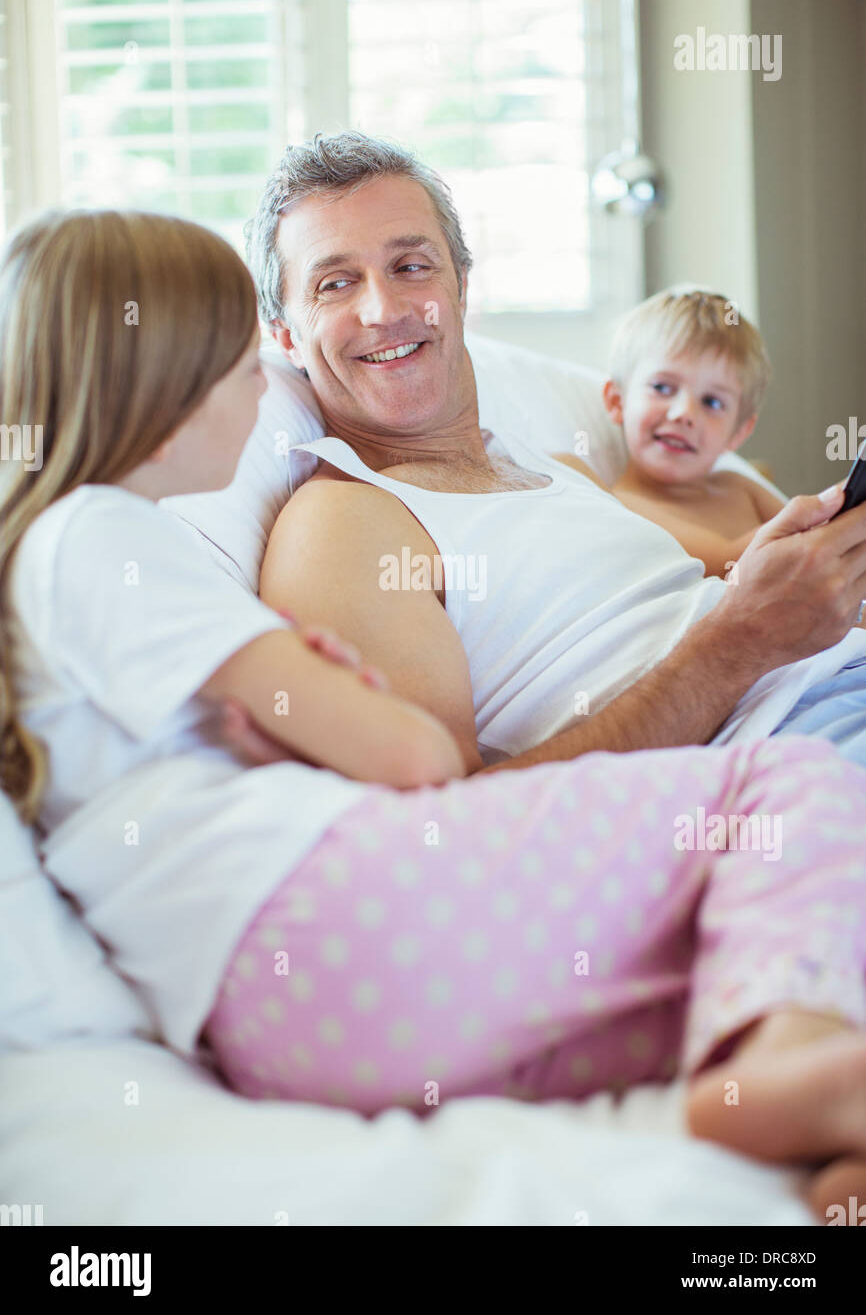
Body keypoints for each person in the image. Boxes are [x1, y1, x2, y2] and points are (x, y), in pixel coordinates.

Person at [3, 207, 866, 1222]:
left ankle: (818, 1132)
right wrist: (323, 698)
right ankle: (793, 1075)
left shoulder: (68, 572)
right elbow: (415, 761)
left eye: (412, 264)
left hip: (312, 1011)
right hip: (315, 924)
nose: (260, 399)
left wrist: (280, 706)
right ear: (166, 384)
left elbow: (256, 738)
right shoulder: (107, 533)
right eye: (244, 369)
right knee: (789, 788)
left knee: (717, 980)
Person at [250, 130, 866, 773]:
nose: (383, 308)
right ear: (285, 335)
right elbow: (443, 821)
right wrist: (740, 642)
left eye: (411, 267)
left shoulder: (557, 468)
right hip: (790, 750)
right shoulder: (340, 524)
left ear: (461, 288)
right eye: (336, 284)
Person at [552, 286, 784, 579]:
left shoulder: (741, 487)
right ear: (617, 401)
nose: (684, 413)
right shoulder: (623, 506)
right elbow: (731, 563)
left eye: (712, 402)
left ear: (738, 433)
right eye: (662, 387)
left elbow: (820, 542)